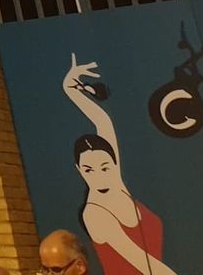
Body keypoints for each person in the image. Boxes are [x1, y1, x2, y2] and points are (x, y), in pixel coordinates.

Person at [61, 54, 178, 275]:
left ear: (115, 162)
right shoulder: (95, 213)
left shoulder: (116, 184)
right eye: (88, 170)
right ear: (79, 170)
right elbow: (145, 265)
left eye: (104, 167)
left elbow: (103, 121)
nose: (99, 176)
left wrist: (71, 90)